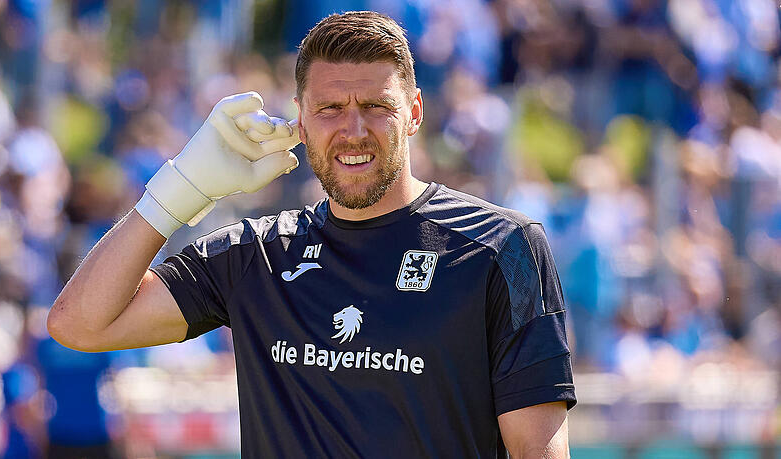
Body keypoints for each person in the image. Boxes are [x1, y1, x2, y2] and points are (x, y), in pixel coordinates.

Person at [48, 11, 575, 458]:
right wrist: (178, 189)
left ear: (414, 112)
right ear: (300, 121)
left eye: (375, 106)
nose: (354, 129)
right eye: (329, 109)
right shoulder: (254, 255)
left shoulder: (502, 246)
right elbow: (80, 325)